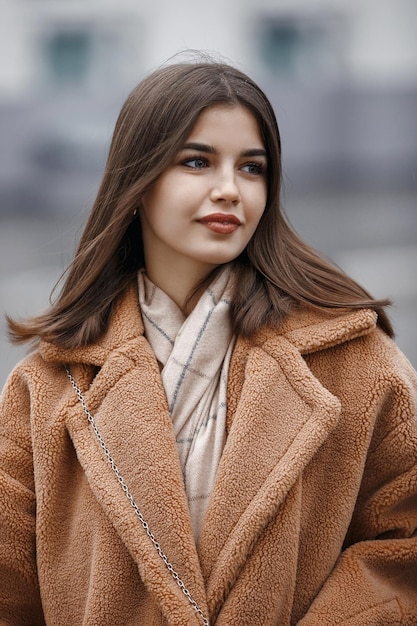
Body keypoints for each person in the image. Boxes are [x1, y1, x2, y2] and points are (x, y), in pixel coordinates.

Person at [1, 56, 416, 626]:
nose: (229, 189)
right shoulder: (47, 384)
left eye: (252, 167)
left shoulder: (352, 359)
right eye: (197, 162)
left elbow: (405, 550)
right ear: (137, 181)